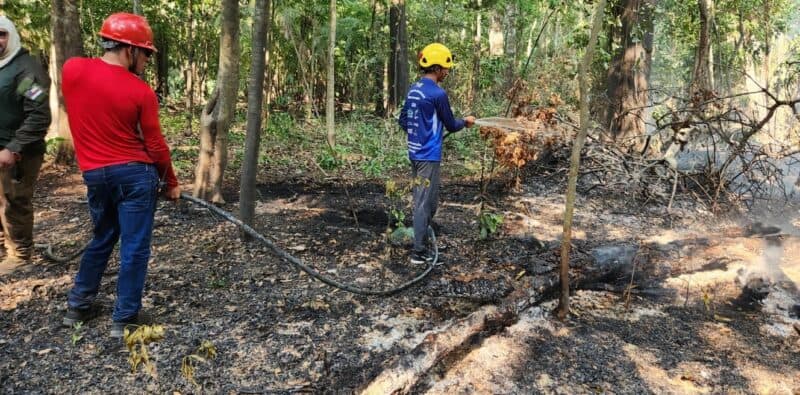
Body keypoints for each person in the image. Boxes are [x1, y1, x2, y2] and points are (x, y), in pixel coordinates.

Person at [60, 13, 180, 339]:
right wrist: (171, 182)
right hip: (135, 176)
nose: (147, 60)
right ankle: (125, 318)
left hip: (95, 176)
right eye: (146, 54)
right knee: (135, 246)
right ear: (130, 50)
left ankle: (78, 306)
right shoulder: (141, 92)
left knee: (103, 236)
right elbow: (155, 144)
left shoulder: (73, 70)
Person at [398, 43, 475, 265]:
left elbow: (403, 120)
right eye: (446, 68)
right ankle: (418, 253)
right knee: (424, 204)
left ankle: (423, 242)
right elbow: (451, 124)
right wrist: (466, 121)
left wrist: (419, 135)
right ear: (437, 67)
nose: (447, 72)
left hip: (416, 154)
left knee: (429, 202)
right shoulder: (438, 94)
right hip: (428, 157)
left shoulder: (414, 89)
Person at [0, 16, 51, 276]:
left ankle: (20, 255)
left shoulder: (25, 71)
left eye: (1, 34)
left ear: (11, 35)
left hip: (20, 152)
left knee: (14, 200)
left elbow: (38, 115)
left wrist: (14, 147)